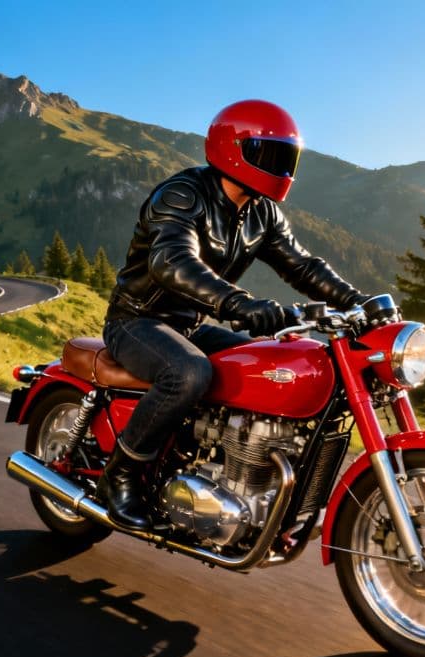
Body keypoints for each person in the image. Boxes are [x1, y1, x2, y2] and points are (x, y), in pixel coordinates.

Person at [101, 99, 369, 530]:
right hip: (136, 321)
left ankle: (225, 470)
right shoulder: (183, 194)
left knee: (268, 365)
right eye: (270, 155)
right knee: (187, 373)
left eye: (287, 158)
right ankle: (122, 475)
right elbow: (172, 262)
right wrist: (242, 304)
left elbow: (302, 266)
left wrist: (359, 303)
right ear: (233, 149)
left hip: (189, 325)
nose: (281, 169)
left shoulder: (262, 212)